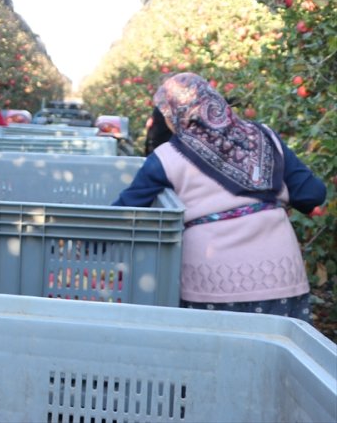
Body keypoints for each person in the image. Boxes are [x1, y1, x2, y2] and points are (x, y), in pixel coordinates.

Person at [114, 72, 326, 321]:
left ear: (171, 112)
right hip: (280, 276)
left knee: (215, 356)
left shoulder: (167, 157)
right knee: (275, 356)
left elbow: (124, 212)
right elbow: (312, 193)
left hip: (211, 282)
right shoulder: (265, 136)